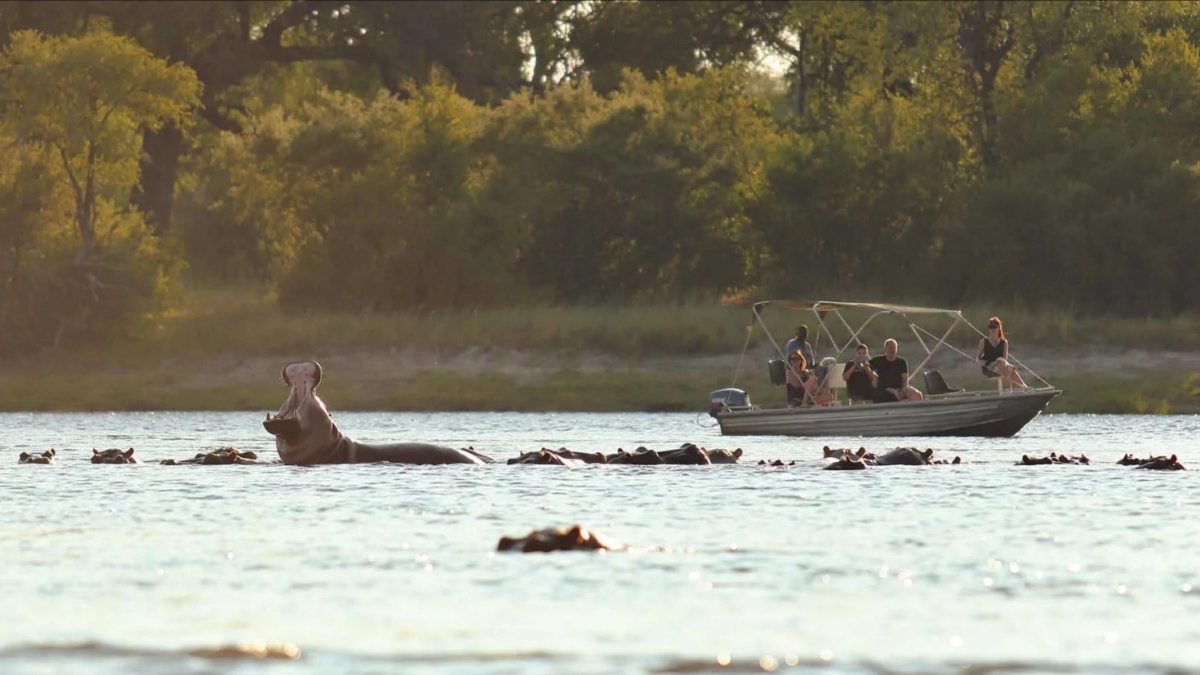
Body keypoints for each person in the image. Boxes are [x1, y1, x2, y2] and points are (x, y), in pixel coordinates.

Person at [977, 316, 1028, 390]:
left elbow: (1004, 360)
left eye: (994, 327)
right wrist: (980, 362)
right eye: (990, 327)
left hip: (1001, 365)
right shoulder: (983, 342)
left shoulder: (1004, 343)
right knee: (1001, 362)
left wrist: (998, 362)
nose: (992, 329)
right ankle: (1009, 388)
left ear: (998, 328)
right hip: (989, 368)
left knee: (1009, 367)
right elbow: (978, 357)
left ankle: (1025, 387)